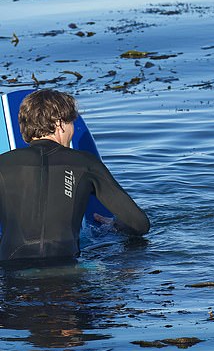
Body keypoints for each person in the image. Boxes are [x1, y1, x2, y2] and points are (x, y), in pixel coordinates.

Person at [0, 89, 150, 263]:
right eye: (71, 122)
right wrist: (116, 225)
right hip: (66, 271)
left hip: (12, 275)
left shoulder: (3, 163)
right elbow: (140, 224)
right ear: (60, 123)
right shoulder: (85, 163)